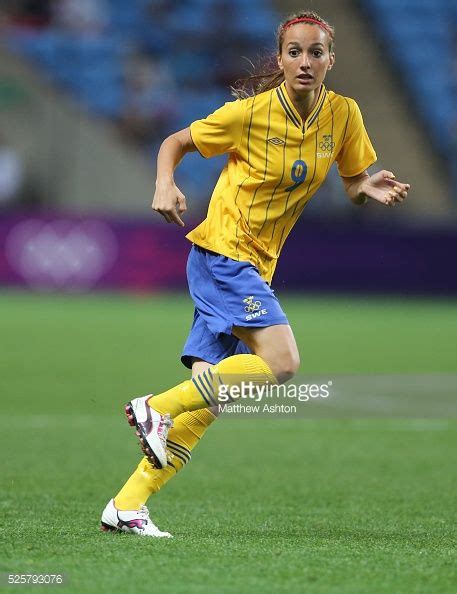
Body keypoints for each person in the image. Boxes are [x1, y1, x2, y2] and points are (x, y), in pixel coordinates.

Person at [100, 10, 410, 537]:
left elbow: (354, 180)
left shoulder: (344, 115)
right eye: (295, 52)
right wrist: (163, 184)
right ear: (281, 58)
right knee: (283, 362)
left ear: (331, 59)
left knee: (211, 397)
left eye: (316, 52)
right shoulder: (248, 114)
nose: (305, 62)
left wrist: (367, 189)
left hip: (255, 267)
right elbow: (174, 142)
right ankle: (153, 407)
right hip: (224, 254)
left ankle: (126, 506)